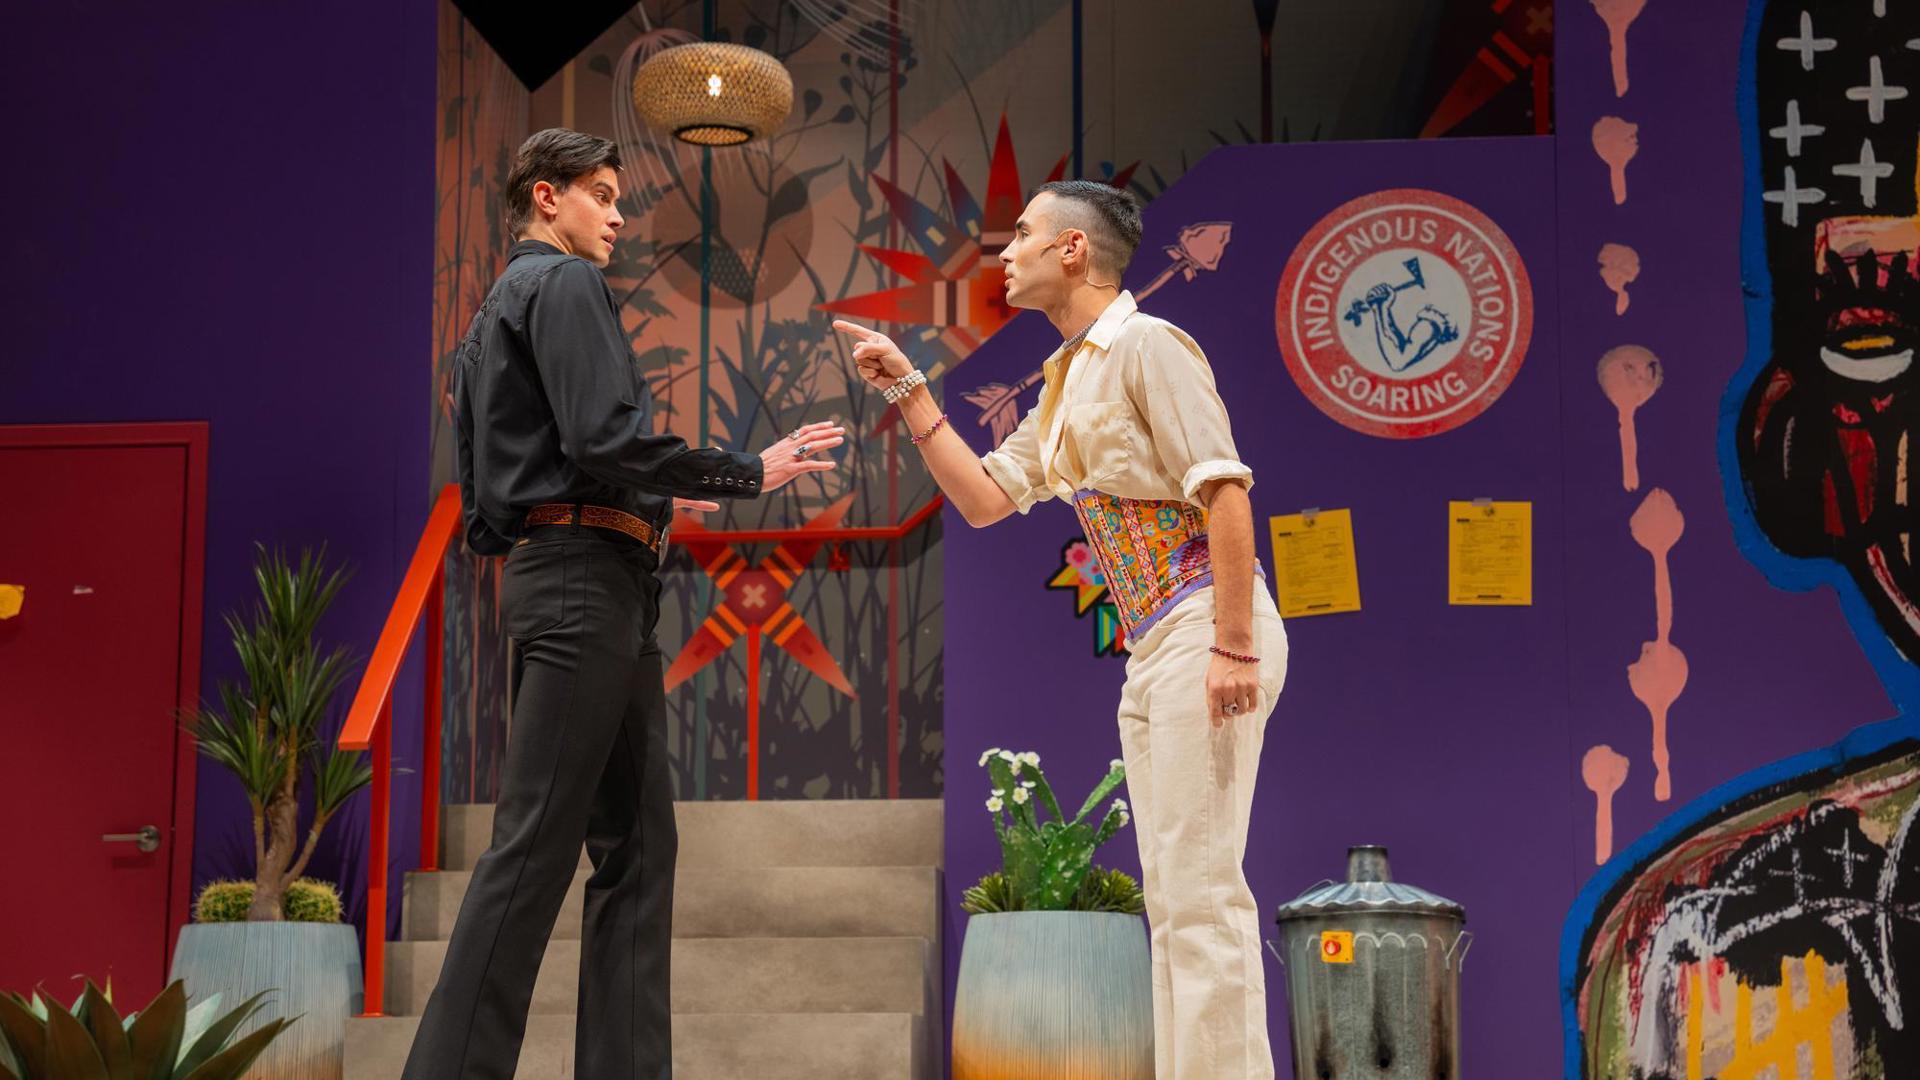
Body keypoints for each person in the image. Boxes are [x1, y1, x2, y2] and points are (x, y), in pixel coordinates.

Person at [404, 127, 844, 1080]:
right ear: (545, 197)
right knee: (533, 850)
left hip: (583, 576)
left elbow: (492, 506)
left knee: (639, 846)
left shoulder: (485, 320)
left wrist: (637, 495)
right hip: (581, 586)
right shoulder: (561, 285)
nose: (617, 214)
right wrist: (740, 470)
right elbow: (605, 431)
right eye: (601, 194)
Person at [834, 179, 1287, 1079]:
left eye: (1022, 235)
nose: (1006, 252)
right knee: (1173, 898)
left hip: (1206, 624)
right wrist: (911, 391)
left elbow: (1225, 491)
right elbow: (985, 499)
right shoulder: (1067, 376)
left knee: (1202, 895)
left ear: (1072, 250)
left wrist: (1234, 641)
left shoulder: (1149, 345)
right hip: (1154, 643)